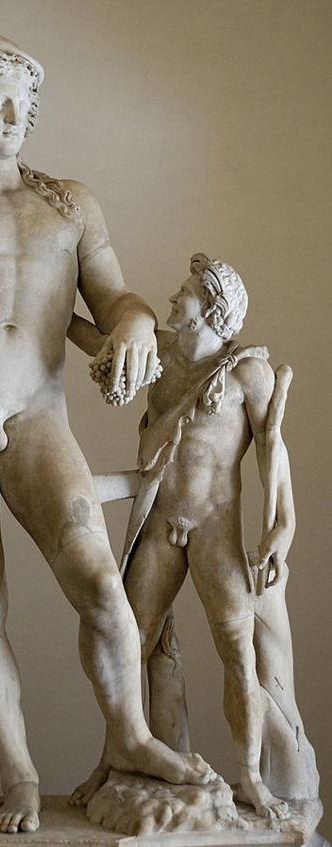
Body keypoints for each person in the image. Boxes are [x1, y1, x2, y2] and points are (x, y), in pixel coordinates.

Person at [0, 29, 214, 834]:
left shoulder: (68, 202)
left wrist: (132, 324)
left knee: (96, 575)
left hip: (36, 406)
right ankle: (18, 775)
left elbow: (114, 296)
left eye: (26, 102)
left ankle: (128, 736)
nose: (16, 114)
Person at [118, 254, 294, 820]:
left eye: (185, 293)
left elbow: (272, 448)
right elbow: (98, 337)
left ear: (212, 309)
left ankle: (250, 777)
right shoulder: (161, 354)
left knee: (238, 655)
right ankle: (119, 756)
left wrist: (283, 524)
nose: (174, 299)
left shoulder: (248, 373)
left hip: (214, 527)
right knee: (126, 643)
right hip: (160, 524)